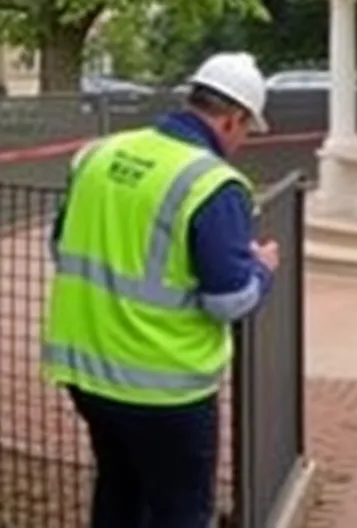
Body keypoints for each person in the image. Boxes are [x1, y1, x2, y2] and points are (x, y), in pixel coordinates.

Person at [42, 52, 280, 528]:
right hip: (165, 389)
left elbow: (61, 246)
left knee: (119, 491)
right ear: (232, 119)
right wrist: (263, 269)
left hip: (85, 370)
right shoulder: (213, 183)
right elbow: (229, 301)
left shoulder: (99, 153)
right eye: (246, 131)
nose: (242, 143)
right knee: (181, 512)